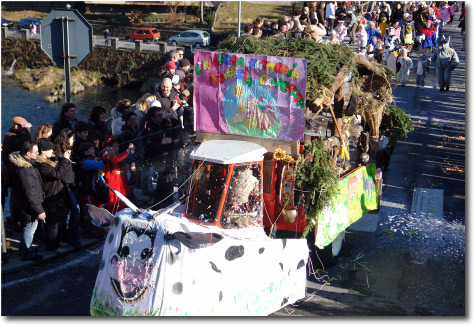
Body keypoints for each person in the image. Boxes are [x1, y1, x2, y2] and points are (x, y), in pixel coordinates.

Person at [9, 140, 44, 262]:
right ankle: (26, 252)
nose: (38, 153)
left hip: (26, 204)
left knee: (29, 227)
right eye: (35, 152)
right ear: (28, 154)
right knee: (30, 228)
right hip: (29, 206)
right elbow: (30, 192)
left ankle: (24, 249)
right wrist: (39, 210)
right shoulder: (26, 170)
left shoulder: (26, 165)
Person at [35, 138, 71, 253]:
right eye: (49, 149)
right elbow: (57, 174)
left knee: (60, 221)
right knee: (53, 224)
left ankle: (58, 242)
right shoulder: (41, 164)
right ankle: (52, 247)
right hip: (50, 197)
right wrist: (65, 160)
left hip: (57, 194)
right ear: (42, 151)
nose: (52, 151)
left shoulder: (48, 160)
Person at [2, 116, 32, 232]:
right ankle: (16, 222)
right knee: (15, 197)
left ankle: (16, 220)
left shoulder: (14, 134)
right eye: (21, 126)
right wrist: (26, 130)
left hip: (14, 170)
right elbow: (25, 144)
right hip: (12, 172)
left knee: (17, 196)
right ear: (16, 126)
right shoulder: (11, 136)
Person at [53, 128, 82, 251]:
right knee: (75, 211)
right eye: (72, 138)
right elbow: (61, 172)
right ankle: (72, 237)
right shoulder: (59, 153)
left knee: (68, 213)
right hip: (66, 187)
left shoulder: (71, 151)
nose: (74, 140)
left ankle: (66, 237)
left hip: (73, 185)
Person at [103, 138, 133, 215]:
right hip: (114, 179)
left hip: (121, 178)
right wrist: (128, 150)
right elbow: (117, 159)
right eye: (115, 146)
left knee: (123, 197)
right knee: (115, 197)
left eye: (117, 146)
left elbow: (125, 158)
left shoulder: (117, 154)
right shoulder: (110, 155)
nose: (117, 148)